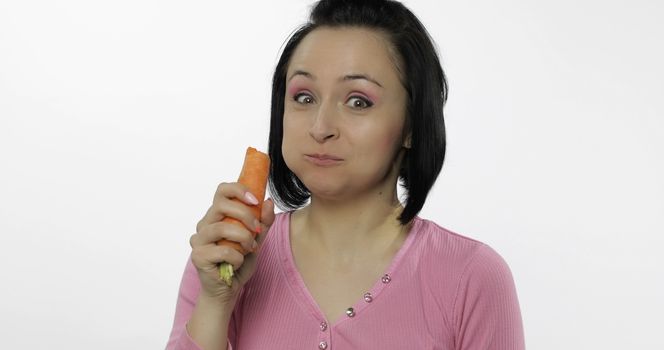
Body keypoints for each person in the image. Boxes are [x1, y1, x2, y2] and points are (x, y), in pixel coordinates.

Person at [166, 0, 525, 349]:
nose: (321, 127)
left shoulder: (472, 277)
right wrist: (215, 302)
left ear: (412, 124)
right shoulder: (224, 256)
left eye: (358, 101)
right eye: (304, 97)